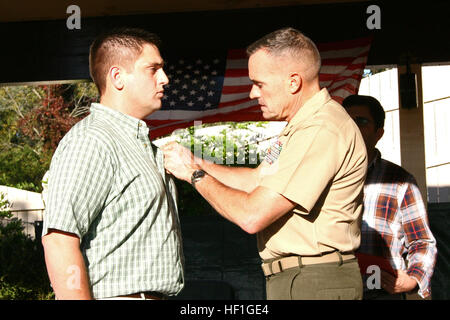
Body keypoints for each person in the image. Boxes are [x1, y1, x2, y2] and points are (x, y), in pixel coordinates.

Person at [162, 27, 368, 300]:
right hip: (300, 277)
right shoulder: (296, 129)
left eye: (259, 84)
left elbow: (252, 216)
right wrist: (195, 161)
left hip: (314, 280)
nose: (251, 94)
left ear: (293, 82)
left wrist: (194, 174)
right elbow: (257, 179)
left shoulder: (320, 129)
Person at [41, 28, 184, 300]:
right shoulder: (92, 141)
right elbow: (60, 240)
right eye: (153, 69)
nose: (164, 79)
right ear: (118, 77)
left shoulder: (141, 145)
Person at [342, 94, 437, 300]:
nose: (352, 127)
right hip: (331, 290)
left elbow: (422, 241)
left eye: (362, 121)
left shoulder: (400, 181)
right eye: (346, 120)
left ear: (379, 133)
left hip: (381, 292)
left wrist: (413, 278)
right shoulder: (320, 174)